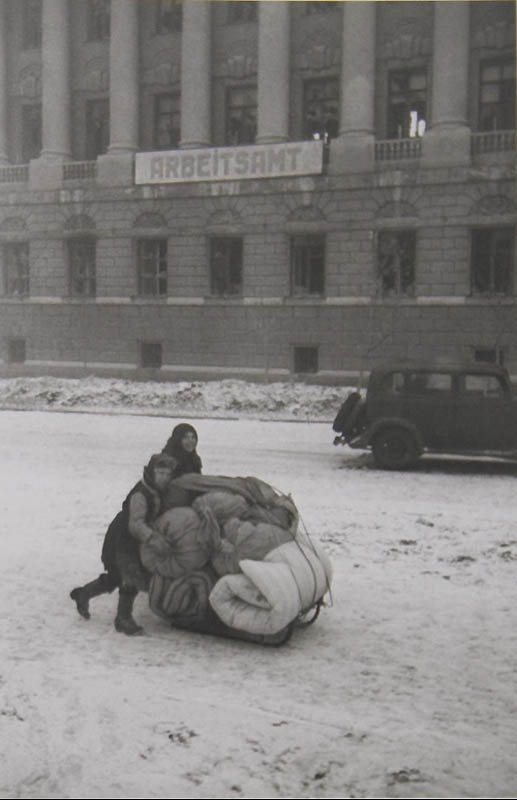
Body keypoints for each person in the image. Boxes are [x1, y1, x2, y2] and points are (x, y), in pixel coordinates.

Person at [70, 453, 176, 636]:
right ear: (152, 472)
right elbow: (136, 524)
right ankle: (123, 618)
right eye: (160, 473)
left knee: (116, 578)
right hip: (122, 540)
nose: (164, 478)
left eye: (167, 474)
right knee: (130, 577)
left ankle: (83, 594)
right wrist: (154, 539)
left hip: (134, 540)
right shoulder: (141, 494)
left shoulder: (156, 491)